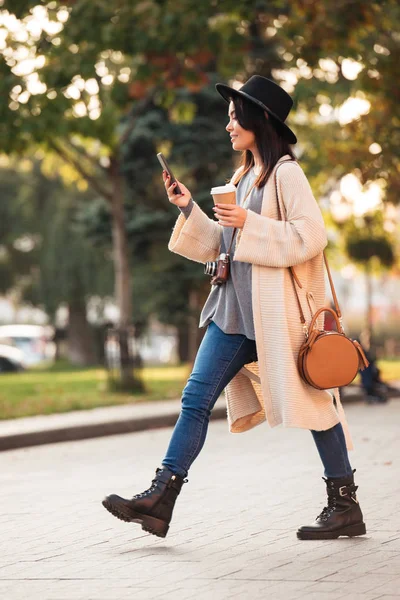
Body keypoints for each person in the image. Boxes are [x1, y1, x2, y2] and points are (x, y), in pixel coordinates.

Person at [102, 75, 366, 541]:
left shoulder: (286, 173)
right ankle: (161, 498)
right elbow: (225, 247)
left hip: (276, 317)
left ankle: (344, 505)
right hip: (232, 314)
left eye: (233, 116)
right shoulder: (242, 178)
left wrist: (251, 222)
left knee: (315, 401)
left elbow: (310, 237)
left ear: (259, 119)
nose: (227, 125)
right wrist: (189, 210)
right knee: (195, 399)